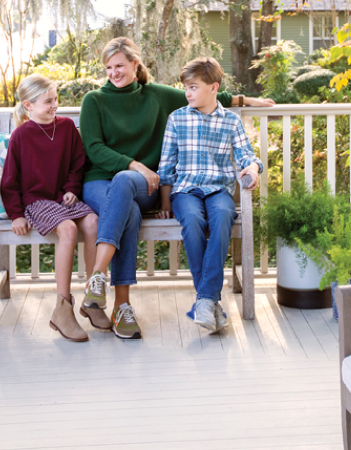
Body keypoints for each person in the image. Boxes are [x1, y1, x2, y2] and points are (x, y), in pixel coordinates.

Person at [79, 37, 274, 340]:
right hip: (102, 180)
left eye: (119, 65)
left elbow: (208, 89)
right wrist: (136, 165)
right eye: (108, 68)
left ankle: (98, 280)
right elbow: (93, 148)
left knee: (126, 189)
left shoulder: (157, 96)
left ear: (135, 64)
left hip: (144, 183)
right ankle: (120, 304)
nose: (113, 72)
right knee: (125, 206)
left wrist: (246, 101)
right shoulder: (94, 100)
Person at [158, 57, 261, 333]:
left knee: (225, 214)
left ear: (213, 88)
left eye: (193, 87)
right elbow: (166, 166)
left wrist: (253, 168)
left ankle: (204, 300)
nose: (187, 93)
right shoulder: (177, 118)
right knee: (192, 221)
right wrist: (165, 201)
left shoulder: (230, 121)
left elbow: (246, 156)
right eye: (186, 88)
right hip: (186, 191)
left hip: (218, 189)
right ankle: (210, 301)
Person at [0, 74, 106, 342]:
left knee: (93, 222)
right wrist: (16, 214)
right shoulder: (21, 136)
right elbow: (9, 180)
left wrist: (71, 188)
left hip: (63, 198)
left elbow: (77, 164)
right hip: (37, 201)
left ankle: (92, 297)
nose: (54, 105)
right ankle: (62, 307)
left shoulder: (67, 127)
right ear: (29, 105)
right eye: (47, 101)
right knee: (68, 229)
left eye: (55, 99)